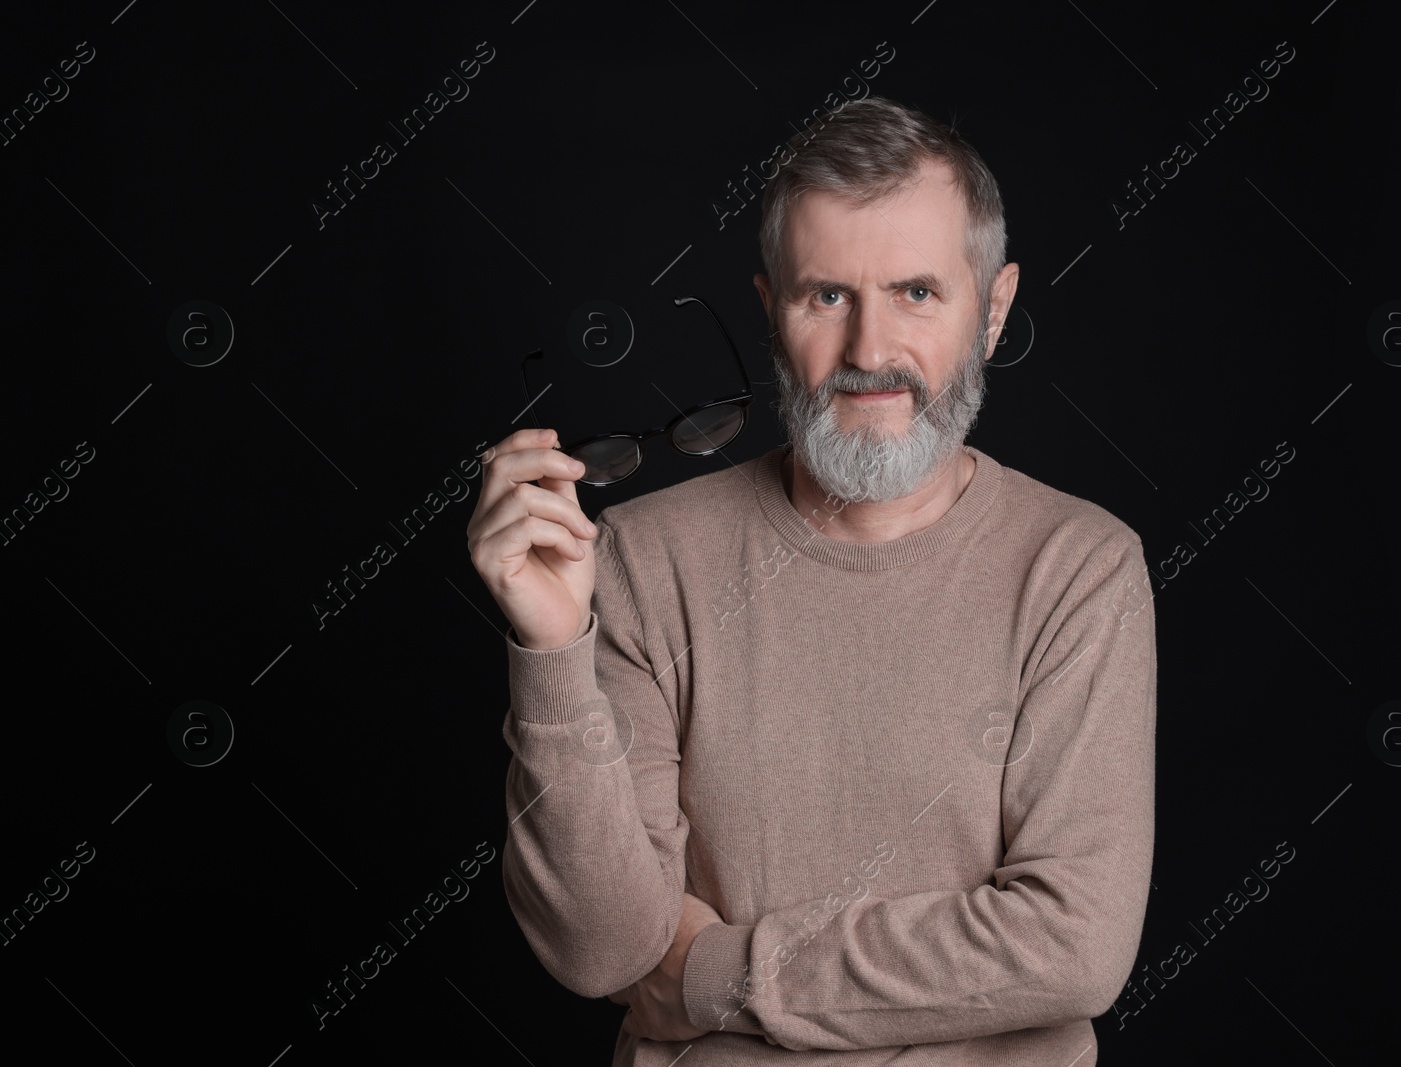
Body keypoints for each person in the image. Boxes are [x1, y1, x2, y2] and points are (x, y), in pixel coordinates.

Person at [467, 95, 1157, 1066]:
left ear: (992, 310)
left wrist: (713, 974)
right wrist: (552, 649)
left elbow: (1072, 946)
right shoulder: (637, 556)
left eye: (916, 292)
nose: (868, 352)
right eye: (826, 295)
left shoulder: (1079, 568)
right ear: (769, 311)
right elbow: (602, 949)